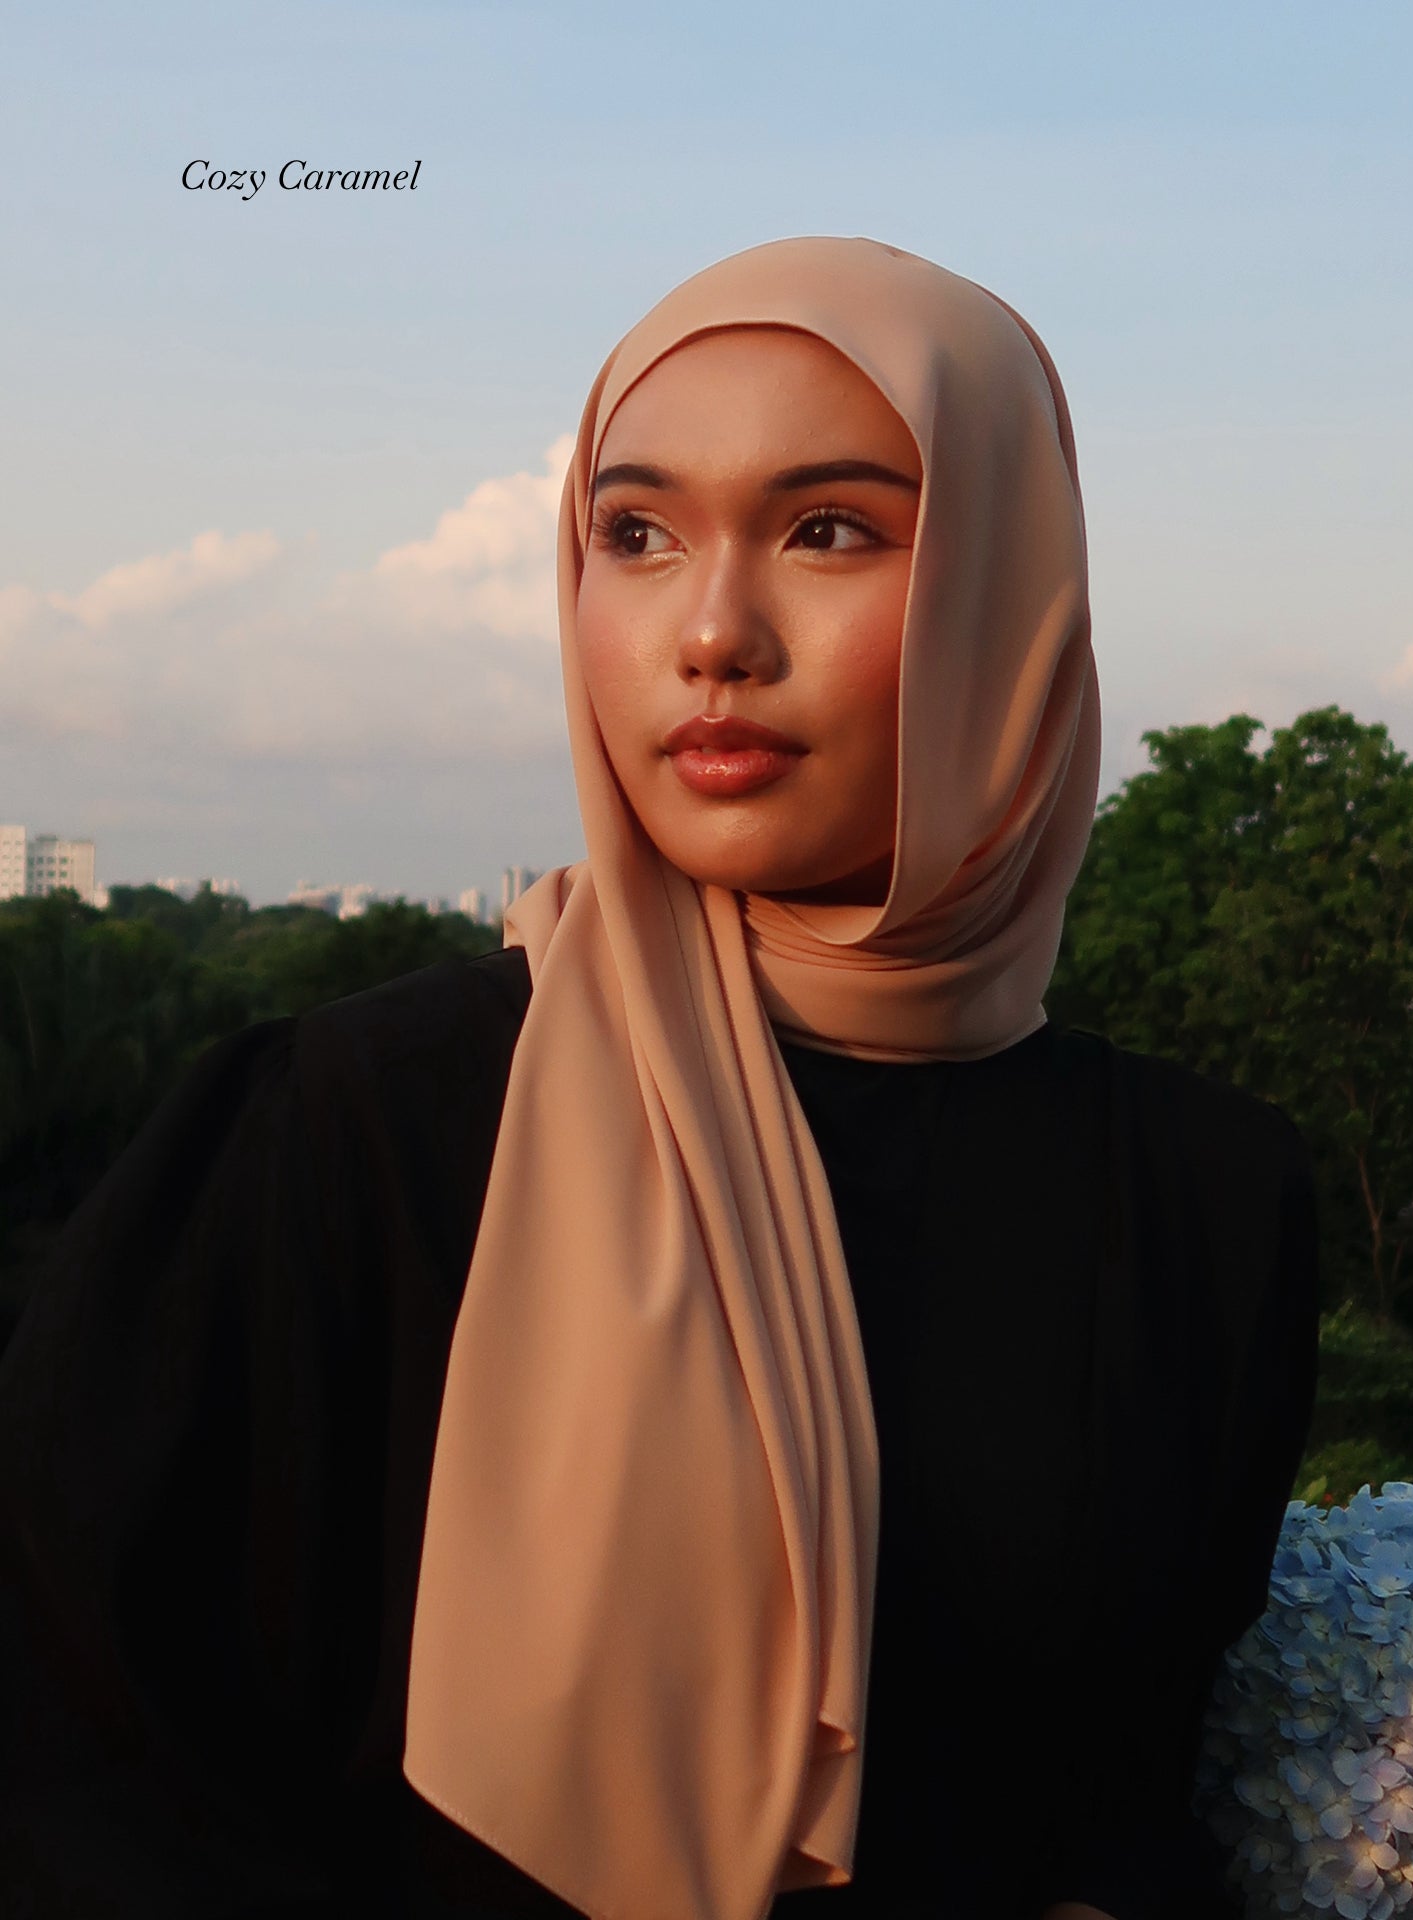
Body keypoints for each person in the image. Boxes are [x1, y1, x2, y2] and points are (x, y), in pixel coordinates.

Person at [0, 237, 1319, 1920]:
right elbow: (80, 1775)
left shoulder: (1207, 1202)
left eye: (828, 529)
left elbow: (1126, 1801)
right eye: (635, 535)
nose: (711, 633)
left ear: (1012, 588)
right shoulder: (353, 1129)